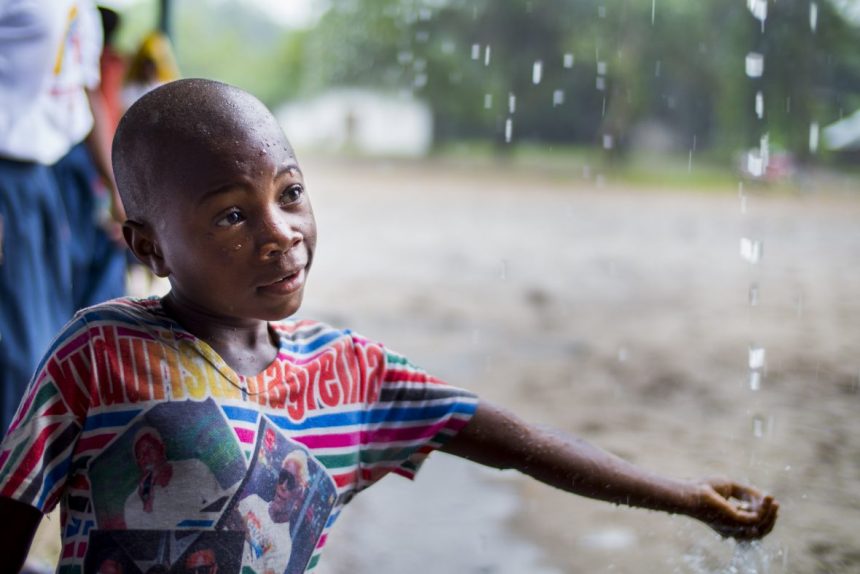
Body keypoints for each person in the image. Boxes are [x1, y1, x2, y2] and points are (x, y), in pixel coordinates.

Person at [0, 79, 779, 573]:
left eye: (292, 192)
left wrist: (686, 496)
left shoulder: (352, 375)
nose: (281, 233)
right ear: (148, 246)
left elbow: (520, 444)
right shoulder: (100, 351)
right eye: (233, 216)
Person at [0, 0, 125, 436]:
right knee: (17, 347)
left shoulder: (82, 11)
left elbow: (86, 96)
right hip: (7, 175)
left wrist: (119, 190)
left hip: (42, 180)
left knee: (46, 338)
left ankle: (23, 479)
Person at [237, 450, 310, 573]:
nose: (283, 486)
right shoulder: (253, 501)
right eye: (283, 477)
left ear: (299, 497)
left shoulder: (284, 546)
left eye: (291, 482)